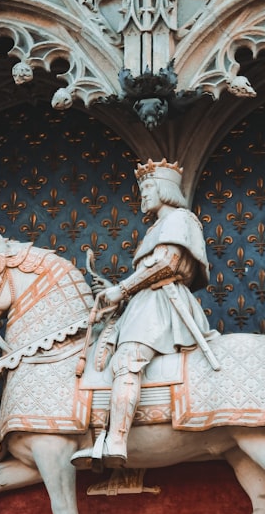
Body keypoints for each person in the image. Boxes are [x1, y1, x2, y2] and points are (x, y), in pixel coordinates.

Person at [72, 158, 214, 468]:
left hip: (162, 303)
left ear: (165, 189)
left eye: (148, 187)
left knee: (127, 361)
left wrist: (121, 290)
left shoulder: (180, 219)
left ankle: (117, 441)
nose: (143, 195)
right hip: (144, 303)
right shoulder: (156, 227)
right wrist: (114, 293)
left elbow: (166, 263)